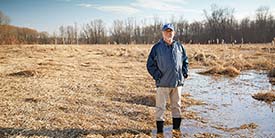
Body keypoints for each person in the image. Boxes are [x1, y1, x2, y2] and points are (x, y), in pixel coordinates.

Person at [146, 23, 188, 134]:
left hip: (177, 83)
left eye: (171, 32)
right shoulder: (157, 48)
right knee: (160, 107)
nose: (168, 34)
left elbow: (185, 61)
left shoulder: (179, 46)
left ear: (173, 33)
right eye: (166, 31)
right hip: (163, 83)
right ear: (162, 33)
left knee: (177, 106)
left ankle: (176, 130)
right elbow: (150, 65)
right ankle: (160, 132)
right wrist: (157, 76)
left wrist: (184, 73)